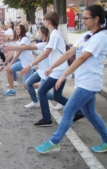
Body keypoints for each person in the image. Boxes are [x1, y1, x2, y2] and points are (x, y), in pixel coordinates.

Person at [35, 5, 107, 153]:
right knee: (89, 113)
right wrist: (52, 67)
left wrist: (62, 75)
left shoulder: (101, 37)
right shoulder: (86, 35)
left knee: (68, 111)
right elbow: (70, 53)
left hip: (90, 82)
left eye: (86, 18)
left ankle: (54, 141)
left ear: (96, 19)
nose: (83, 20)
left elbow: (81, 58)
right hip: (82, 80)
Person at [21, 12, 84, 126]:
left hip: (58, 70)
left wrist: (30, 65)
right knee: (57, 96)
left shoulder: (54, 35)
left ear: (48, 21)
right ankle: (79, 111)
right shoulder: (55, 34)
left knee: (41, 91)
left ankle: (46, 118)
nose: (44, 22)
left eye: (44, 20)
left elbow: (45, 54)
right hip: (60, 69)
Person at [3, 26, 63, 109]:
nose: (38, 34)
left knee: (41, 92)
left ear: (44, 34)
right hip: (40, 70)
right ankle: (35, 101)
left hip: (46, 72)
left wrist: (29, 65)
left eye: (39, 32)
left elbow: (28, 47)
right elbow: (23, 46)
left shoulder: (45, 45)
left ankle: (60, 100)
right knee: (27, 83)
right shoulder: (40, 44)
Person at [0, 24, 34, 96]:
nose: (17, 31)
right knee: (8, 70)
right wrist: (4, 64)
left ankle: (42, 88)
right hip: (22, 63)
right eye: (17, 29)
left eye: (19, 29)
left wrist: (10, 63)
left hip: (28, 64)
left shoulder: (24, 39)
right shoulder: (18, 40)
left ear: (22, 31)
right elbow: (12, 53)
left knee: (26, 85)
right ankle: (12, 90)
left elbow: (18, 52)